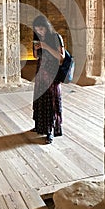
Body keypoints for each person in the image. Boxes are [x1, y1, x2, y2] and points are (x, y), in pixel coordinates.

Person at [31, 15, 65, 144]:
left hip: (52, 73)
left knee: (51, 102)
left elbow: (61, 57)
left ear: (47, 27)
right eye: (37, 29)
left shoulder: (56, 37)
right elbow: (36, 57)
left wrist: (46, 46)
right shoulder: (38, 38)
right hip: (41, 73)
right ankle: (40, 126)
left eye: (42, 28)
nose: (40, 31)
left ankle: (50, 130)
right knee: (40, 100)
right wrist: (36, 48)